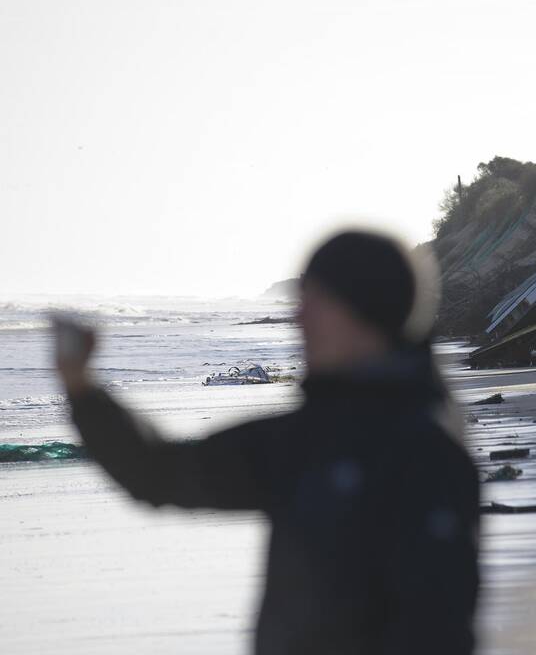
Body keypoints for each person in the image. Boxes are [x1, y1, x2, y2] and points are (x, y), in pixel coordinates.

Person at [53, 231, 480, 655]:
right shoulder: (310, 436)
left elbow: (436, 628)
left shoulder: (426, 450)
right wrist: (82, 388)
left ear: (363, 308)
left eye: (314, 300)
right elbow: (160, 473)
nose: (299, 318)